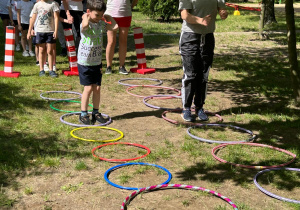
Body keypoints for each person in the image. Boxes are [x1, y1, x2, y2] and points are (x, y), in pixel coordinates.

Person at [179, 0, 228, 122]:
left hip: (208, 37)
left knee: (203, 75)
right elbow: (184, 15)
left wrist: (223, 13)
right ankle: (186, 108)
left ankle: (199, 107)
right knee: (191, 74)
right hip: (190, 37)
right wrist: (200, 20)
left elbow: (221, 8)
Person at [77, 0, 117, 125]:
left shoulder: (101, 23)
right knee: (88, 88)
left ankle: (95, 112)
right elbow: (84, 26)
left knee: (97, 88)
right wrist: (85, 16)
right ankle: (83, 113)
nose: (99, 18)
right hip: (85, 62)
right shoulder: (86, 23)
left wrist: (109, 17)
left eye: (101, 15)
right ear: (89, 12)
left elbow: (115, 27)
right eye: (96, 15)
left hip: (97, 62)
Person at [104, 0, 138, 75]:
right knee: (111, 41)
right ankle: (108, 66)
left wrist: (131, 6)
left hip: (125, 14)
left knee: (123, 41)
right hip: (110, 14)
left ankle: (122, 66)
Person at [27, 0, 59, 77]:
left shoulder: (53, 4)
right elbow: (33, 18)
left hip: (50, 31)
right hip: (40, 31)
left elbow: (56, 18)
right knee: (41, 50)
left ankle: (51, 70)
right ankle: (42, 70)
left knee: (50, 51)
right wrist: (29, 30)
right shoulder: (37, 5)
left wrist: (55, 31)